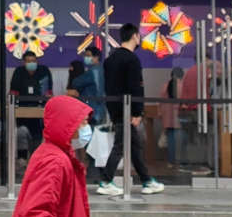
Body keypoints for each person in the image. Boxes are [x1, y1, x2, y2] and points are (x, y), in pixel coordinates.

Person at [2, 95, 95, 217]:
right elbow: (35, 212)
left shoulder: (56, 156)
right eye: (81, 122)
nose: (86, 128)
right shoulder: (55, 161)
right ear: (66, 124)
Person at [97, 23, 164, 195]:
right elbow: (136, 87)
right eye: (139, 35)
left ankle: (147, 181)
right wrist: (137, 111)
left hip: (114, 108)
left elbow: (109, 87)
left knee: (133, 145)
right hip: (127, 110)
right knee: (121, 145)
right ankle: (105, 181)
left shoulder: (110, 59)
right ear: (135, 36)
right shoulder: (132, 59)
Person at [9, 49, 52, 155]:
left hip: (39, 109)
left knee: (37, 134)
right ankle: (22, 157)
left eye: (33, 61)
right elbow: (13, 91)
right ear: (24, 63)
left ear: (37, 61)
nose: (31, 63)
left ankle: (35, 156)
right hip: (22, 109)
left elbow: (48, 91)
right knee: (21, 132)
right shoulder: (19, 72)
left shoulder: (43, 71)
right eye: (28, 61)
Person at [72, 46, 105, 125]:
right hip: (101, 109)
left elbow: (76, 83)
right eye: (85, 55)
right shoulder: (102, 70)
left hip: (92, 109)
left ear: (96, 57)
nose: (85, 58)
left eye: (88, 56)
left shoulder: (92, 72)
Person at [161, 67, 184, 168]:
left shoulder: (165, 86)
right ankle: (180, 160)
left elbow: (160, 103)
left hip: (167, 118)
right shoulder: (182, 86)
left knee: (171, 140)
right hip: (179, 117)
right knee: (181, 140)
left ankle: (170, 161)